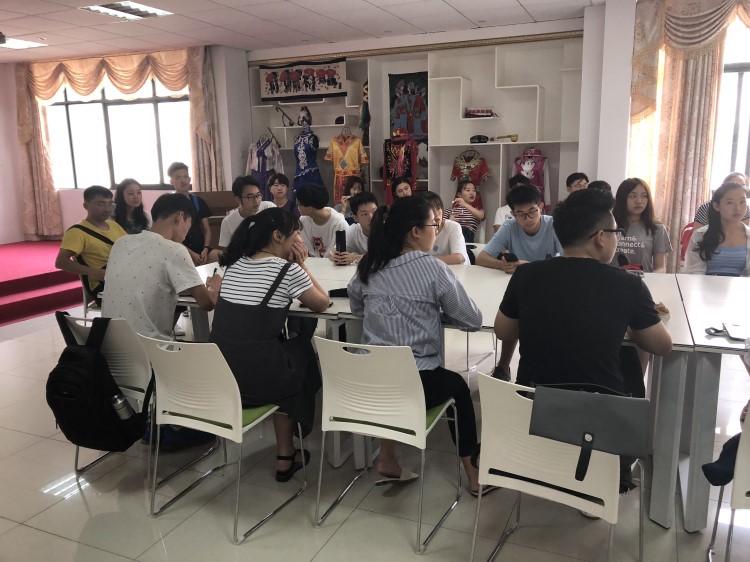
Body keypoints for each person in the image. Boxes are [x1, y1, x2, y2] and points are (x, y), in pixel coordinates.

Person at [494, 188, 671, 492]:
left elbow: (503, 331)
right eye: (615, 233)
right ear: (601, 237)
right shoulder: (628, 285)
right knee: (628, 364)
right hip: (599, 419)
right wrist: (628, 325)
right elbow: (662, 345)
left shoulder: (526, 275)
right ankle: (606, 478)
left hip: (537, 407)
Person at [347, 196, 486, 495]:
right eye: (434, 225)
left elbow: (357, 307)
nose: (436, 231)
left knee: (389, 364)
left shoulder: (370, 265)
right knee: (459, 388)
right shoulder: (432, 268)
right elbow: (472, 320)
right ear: (415, 232)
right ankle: (474, 475)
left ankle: (387, 457)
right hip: (412, 385)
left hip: (368, 380)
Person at [210, 208, 329, 481]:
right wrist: (302, 266)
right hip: (258, 380)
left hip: (221, 376)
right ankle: (287, 450)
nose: (300, 241)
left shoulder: (235, 264)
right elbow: (322, 303)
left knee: (285, 349)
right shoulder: (287, 270)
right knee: (301, 351)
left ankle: (286, 453)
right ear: (278, 236)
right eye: (296, 235)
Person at [102, 193, 221, 340]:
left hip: (108, 343)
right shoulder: (174, 250)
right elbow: (207, 303)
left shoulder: (121, 243)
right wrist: (214, 286)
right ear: (179, 217)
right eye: (188, 226)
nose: (186, 234)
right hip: (149, 347)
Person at [478, 184, 563, 381]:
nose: (527, 219)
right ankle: (503, 366)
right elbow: (482, 257)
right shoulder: (510, 226)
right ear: (513, 214)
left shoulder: (554, 225)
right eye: (520, 214)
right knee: (513, 317)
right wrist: (502, 265)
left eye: (532, 212)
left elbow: (566, 258)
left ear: (541, 207)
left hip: (550, 285)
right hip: (520, 287)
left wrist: (533, 267)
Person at [55, 185, 127, 305]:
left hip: (123, 278)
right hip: (102, 286)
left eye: (110, 204)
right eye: (101, 204)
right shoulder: (77, 232)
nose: (107, 209)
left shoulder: (114, 226)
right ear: (86, 206)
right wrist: (94, 272)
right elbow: (61, 262)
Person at [684, 181, 750, 276]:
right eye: (730, 203)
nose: (738, 208)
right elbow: (694, 271)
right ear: (716, 206)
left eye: (742, 202)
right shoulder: (700, 235)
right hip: (705, 284)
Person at [611, 178, 672, 273]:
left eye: (644, 196)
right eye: (633, 196)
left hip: (642, 280)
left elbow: (660, 267)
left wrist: (651, 279)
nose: (639, 201)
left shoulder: (657, 229)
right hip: (612, 279)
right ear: (622, 198)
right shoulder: (609, 225)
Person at [168, 162, 212, 265]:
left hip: (202, 250)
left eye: (185, 176)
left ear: (189, 179)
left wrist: (205, 249)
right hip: (179, 252)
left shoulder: (198, 201)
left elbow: (206, 229)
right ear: (171, 182)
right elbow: (171, 235)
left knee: (221, 258)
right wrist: (191, 253)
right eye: (178, 177)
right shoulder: (169, 204)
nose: (183, 180)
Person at [218, 176, 275, 251]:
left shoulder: (269, 208)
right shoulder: (228, 222)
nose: (256, 201)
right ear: (238, 199)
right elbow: (226, 250)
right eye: (250, 197)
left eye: (258, 195)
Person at [296, 183, 348, 257]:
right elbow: (306, 248)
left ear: (310, 208)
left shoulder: (339, 223)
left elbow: (340, 251)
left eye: (298, 204)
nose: (297, 207)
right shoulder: (303, 220)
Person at [421, 191, 469, 265]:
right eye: (432, 210)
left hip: (459, 270)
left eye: (438, 208)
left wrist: (425, 262)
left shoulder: (453, 226)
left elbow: (459, 258)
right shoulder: (418, 230)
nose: (436, 215)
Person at [329, 191, 377, 265]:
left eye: (374, 212)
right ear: (356, 218)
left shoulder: (387, 229)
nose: (371, 217)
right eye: (365, 214)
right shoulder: (354, 231)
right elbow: (334, 251)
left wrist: (356, 258)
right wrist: (336, 255)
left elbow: (388, 258)